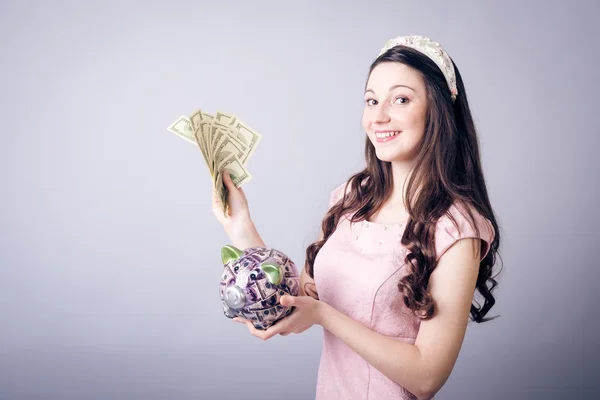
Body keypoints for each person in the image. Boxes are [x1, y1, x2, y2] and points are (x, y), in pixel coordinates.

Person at [211, 34, 502, 400]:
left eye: (401, 99)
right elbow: (300, 300)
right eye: (371, 100)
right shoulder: (352, 198)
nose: (379, 116)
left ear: (438, 110)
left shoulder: (457, 229)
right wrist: (241, 227)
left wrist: (324, 316)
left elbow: (428, 377)